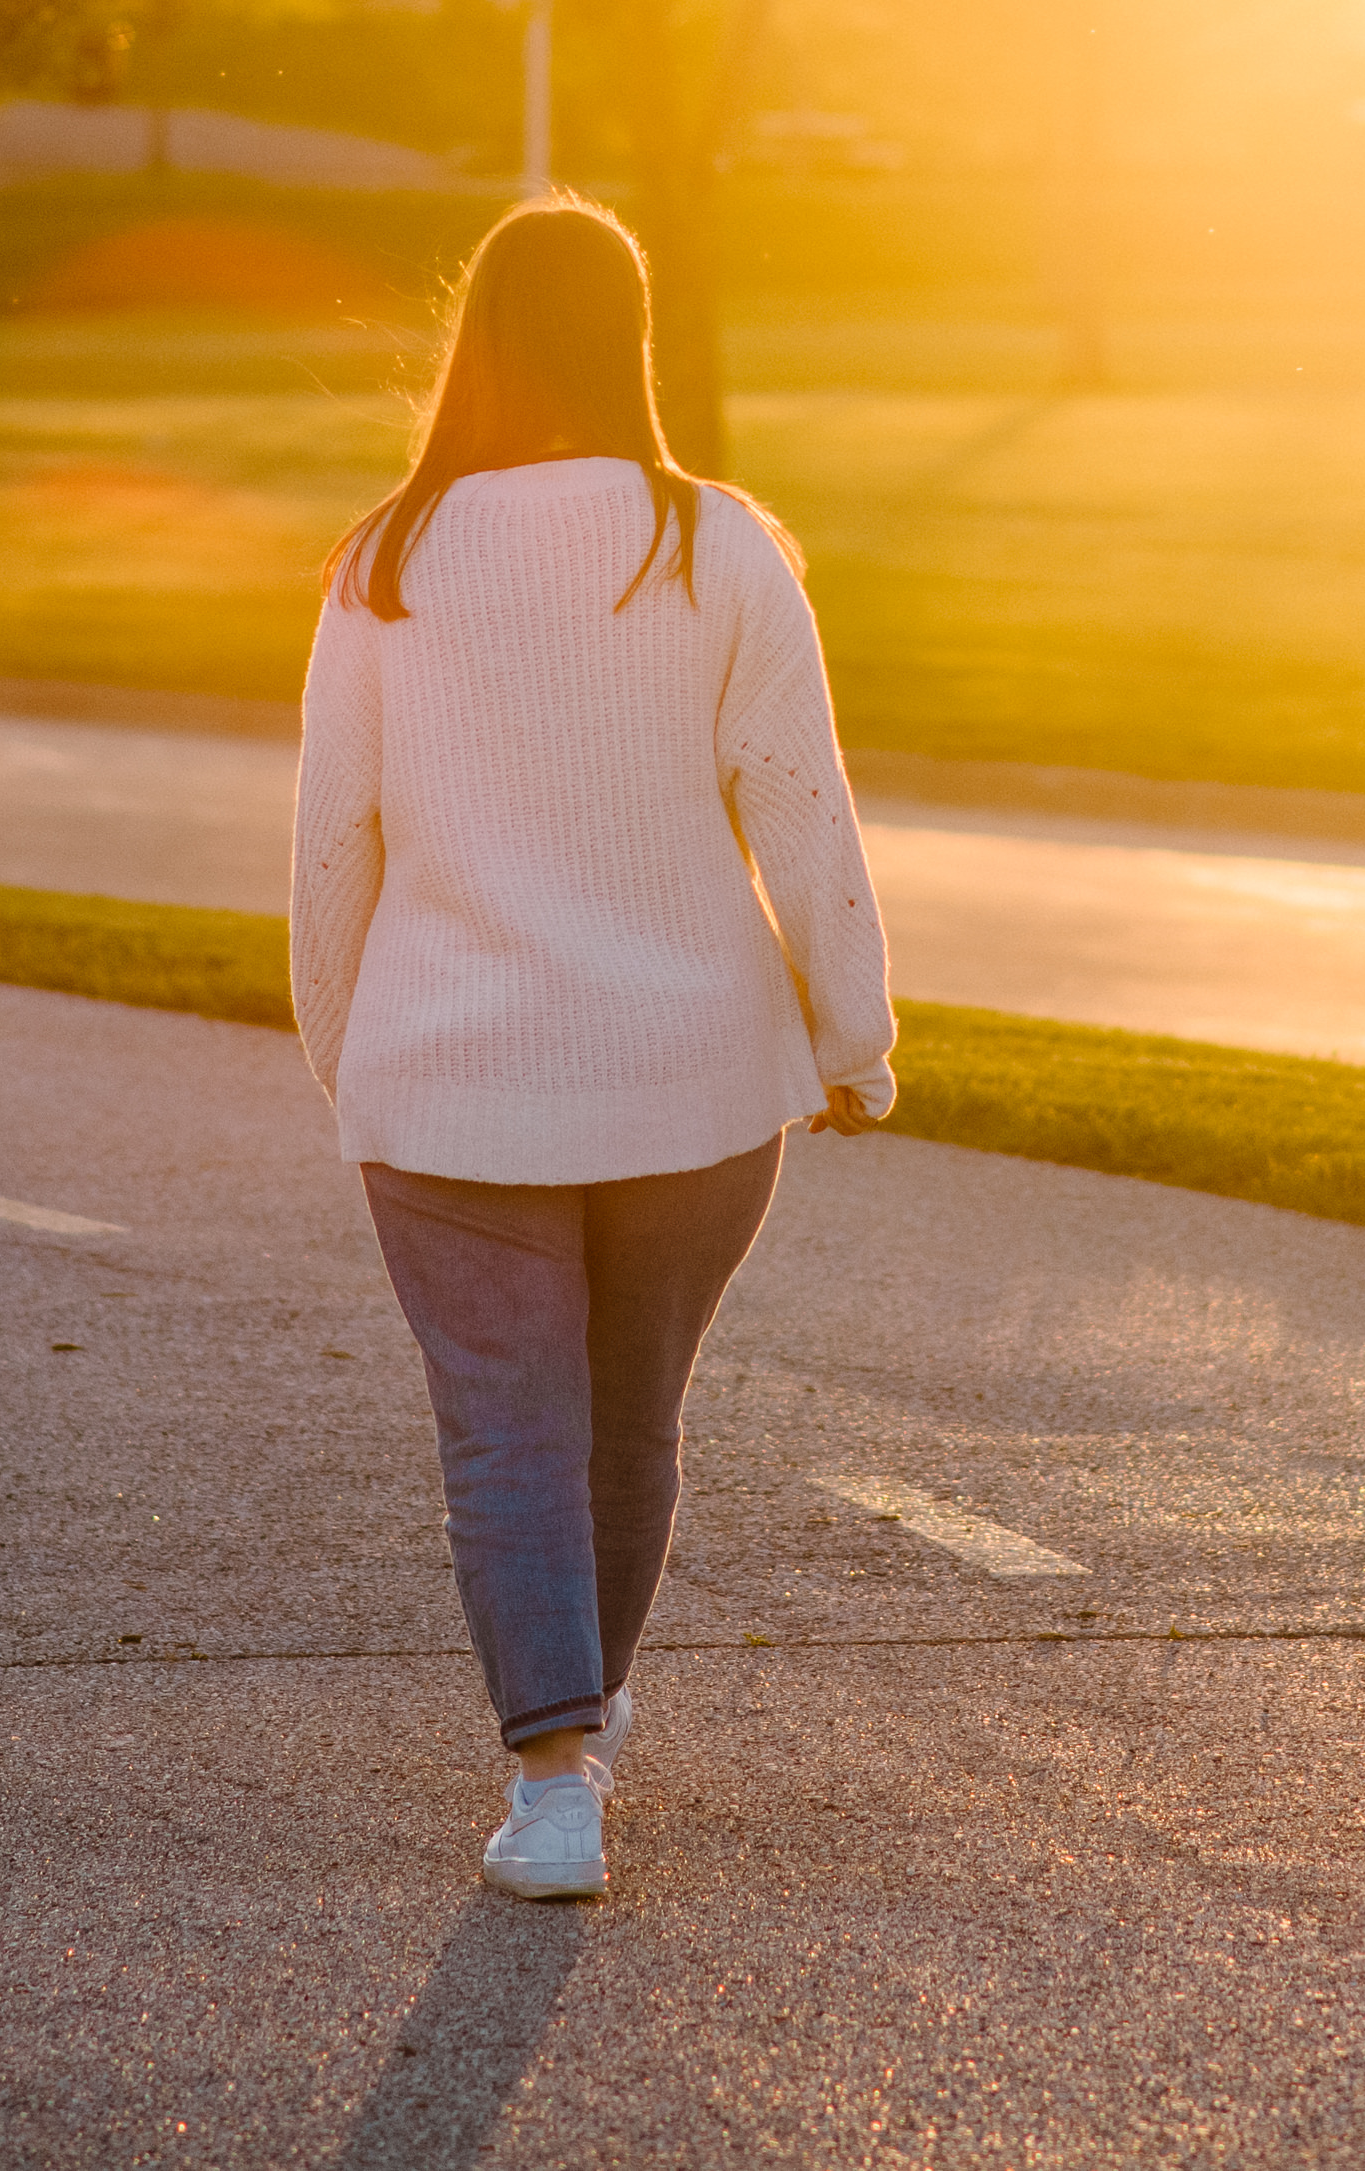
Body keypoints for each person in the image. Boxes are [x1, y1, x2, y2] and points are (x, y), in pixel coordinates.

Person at [291, 199, 898, 1907]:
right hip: (696, 1080)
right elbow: (804, 817)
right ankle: (586, 1716)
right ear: (632, 338)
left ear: (475, 338)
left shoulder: (389, 558)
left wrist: (351, 1057)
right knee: (629, 1426)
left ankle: (553, 1775)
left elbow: (333, 840)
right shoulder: (716, 546)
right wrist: (856, 1040)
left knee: (507, 1435)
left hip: (450, 1078)